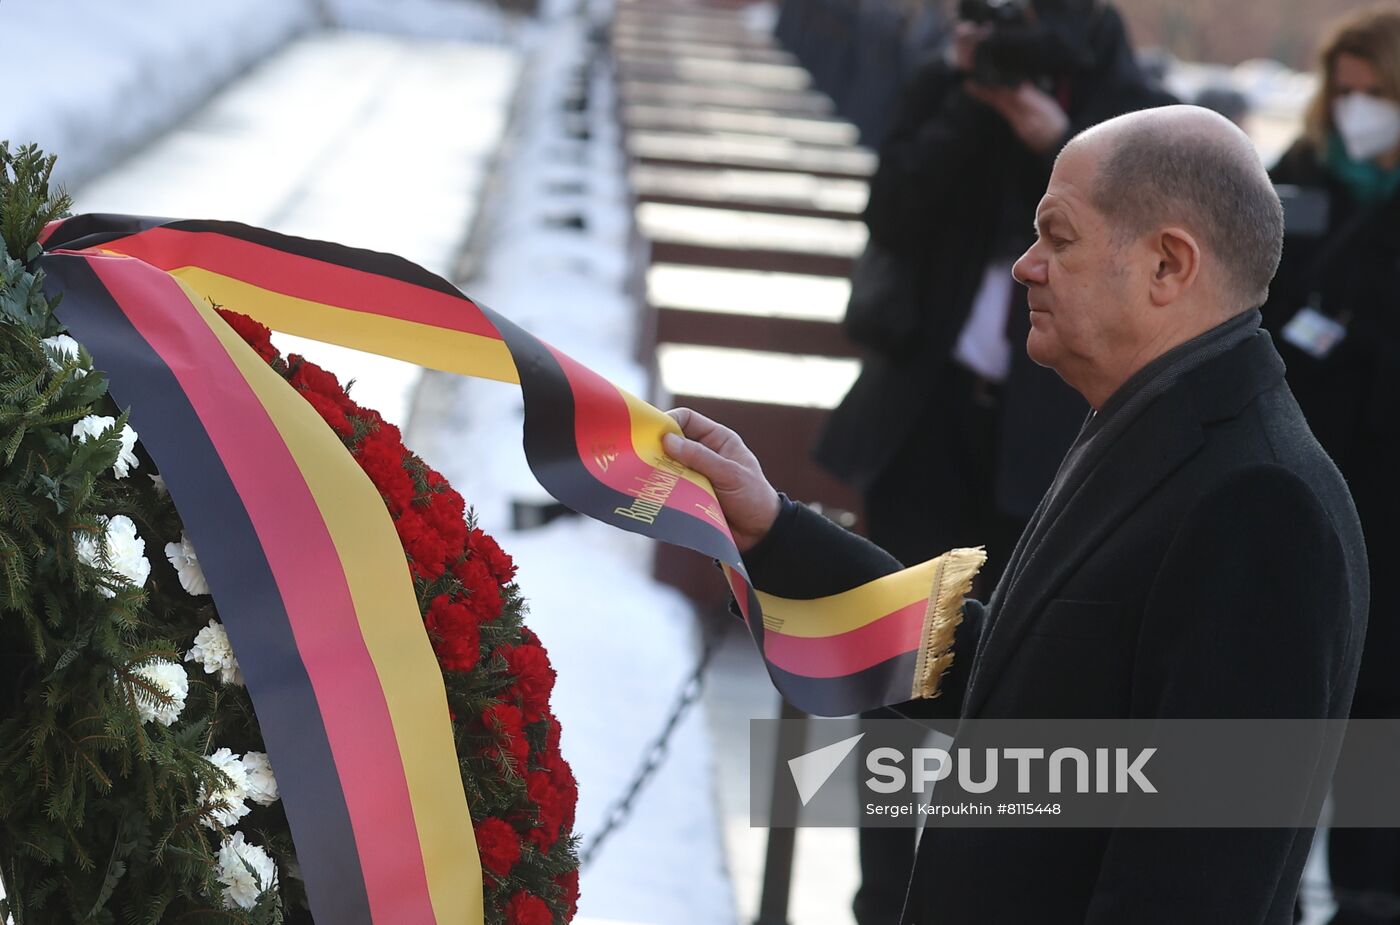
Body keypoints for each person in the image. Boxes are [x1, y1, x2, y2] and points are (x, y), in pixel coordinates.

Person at [666, 106, 1370, 923]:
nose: (1025, 266)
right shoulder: (1156, 422)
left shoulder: (1260, 503)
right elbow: (1019, 688)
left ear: (1168, 265)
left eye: (1058, 237)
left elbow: (1190, 888)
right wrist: (774, 530)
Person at [814, 3, 1173, 917]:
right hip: (932, 426)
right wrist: (975, 107)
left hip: (1055, 448)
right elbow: (891, 209)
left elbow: (1157, 273)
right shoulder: (950, 88)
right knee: (900, 685)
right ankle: (883, 900)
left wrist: (1060, 144)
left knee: (1026, 697)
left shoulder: (1132, 118)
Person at [1259, 6, 1400, 922]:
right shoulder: (1300, 178)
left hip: (1390, 497)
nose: (1356, 111)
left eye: (1376, 94)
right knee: (1278, 707)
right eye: (1344, 90)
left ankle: (1371, 896)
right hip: (1299, 480)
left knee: (1381, 727)